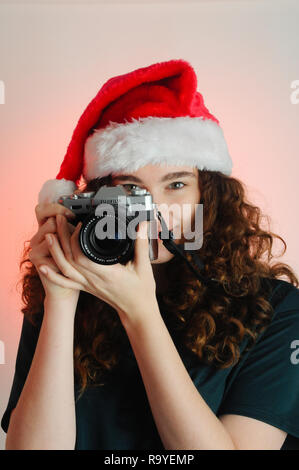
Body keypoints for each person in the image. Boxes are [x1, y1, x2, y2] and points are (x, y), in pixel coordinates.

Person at [2, 59, 299, 450]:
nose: (152, 211)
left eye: (176, 184)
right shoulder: (66, 290)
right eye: (129, 187)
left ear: (207, 198)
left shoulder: (274, 309)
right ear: (97, 201)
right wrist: (60, 299)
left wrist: (139, 313)